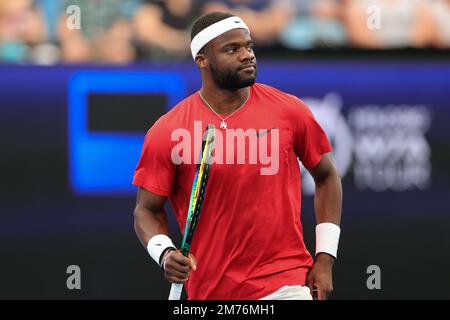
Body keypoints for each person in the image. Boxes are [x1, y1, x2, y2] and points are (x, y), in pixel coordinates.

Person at [133, 11, 342, 300]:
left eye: (249, 46)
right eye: (232, 49)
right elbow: (146, 209)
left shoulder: (290, 111)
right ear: (202, 60)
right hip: (209, 291)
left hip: (285, 284)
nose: (247, 55)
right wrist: (165, 253)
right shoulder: (168, 130)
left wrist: (325, 258)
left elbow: (327, 176)